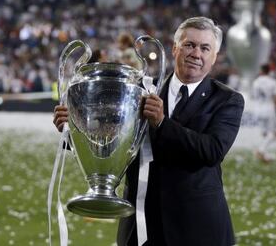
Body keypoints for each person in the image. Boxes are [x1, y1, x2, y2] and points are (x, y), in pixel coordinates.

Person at [53, 16, 244, 246]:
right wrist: (73, 128)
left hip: (197, 228)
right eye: (189, 45)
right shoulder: (141, 90)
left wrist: (162, 123)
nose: (196, 53)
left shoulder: (227, 99)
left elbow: (212, 151)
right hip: (142, 226)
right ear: (175, 48)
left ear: (214, 58)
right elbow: (113, 141)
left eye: (205, 48)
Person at [251, 63, 276, 163]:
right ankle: (261, 150)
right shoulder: (273, 82)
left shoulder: (256, 82)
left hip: (258, 110)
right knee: (273, 134)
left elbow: (254, 96)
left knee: (265, 134)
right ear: (269, 71)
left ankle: (265, 156)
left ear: (261, 71)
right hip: (269, 109)